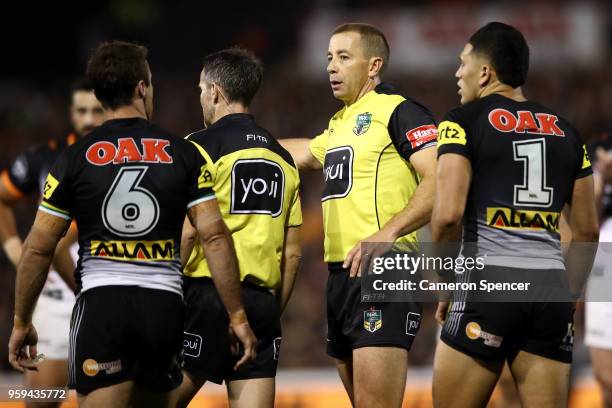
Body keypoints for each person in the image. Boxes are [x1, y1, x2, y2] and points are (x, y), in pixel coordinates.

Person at [8, 40, 256, 408]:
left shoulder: (73, 159)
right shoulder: (182, 153)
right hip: (163, 307)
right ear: (142, 87)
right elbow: (215, 237)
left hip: (101, 305)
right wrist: (238, 315)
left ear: (99, 93)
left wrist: (21, 321)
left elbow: (39, 246)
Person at [431, 22, 599, 407]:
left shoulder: (461, 121)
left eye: (462, 64)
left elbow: (447, 216)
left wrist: (443, 284)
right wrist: (566, 296)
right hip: (550, 293)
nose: (458, 74)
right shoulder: (568, 133)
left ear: (485, 72)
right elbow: (587, 233)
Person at [280, 23, 438, 407]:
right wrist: (234, 144)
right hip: (342, 276)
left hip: (386, 266)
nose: (331, 67)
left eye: (344, 57)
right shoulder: (341, 123)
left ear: (374, 65)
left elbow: (441, 175)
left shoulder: (399, 110)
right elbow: (301, 153)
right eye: (329, 58)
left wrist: (391, 231)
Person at [174, 47, 302, 408]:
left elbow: (188, 232)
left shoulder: (196, 147)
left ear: (215, 91)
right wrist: (269, 311)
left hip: (206, 294)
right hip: (262, 301)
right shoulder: (284, 159)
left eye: (201, 89)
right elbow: (292, 255)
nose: (200, 97)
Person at [0, 78, 103, 407]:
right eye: (82, 110)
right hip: (59, 299)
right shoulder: (47, 158)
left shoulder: (126, 159)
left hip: (110, 296)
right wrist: (14, 246)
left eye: (97, 111)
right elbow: (1, 197)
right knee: (43, 400)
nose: (89, 119)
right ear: (71, 113)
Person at [585, 133, 612, 408]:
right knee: (605, 378)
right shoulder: (599, 147)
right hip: (606, 262)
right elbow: (585, 216)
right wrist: (604, 177)